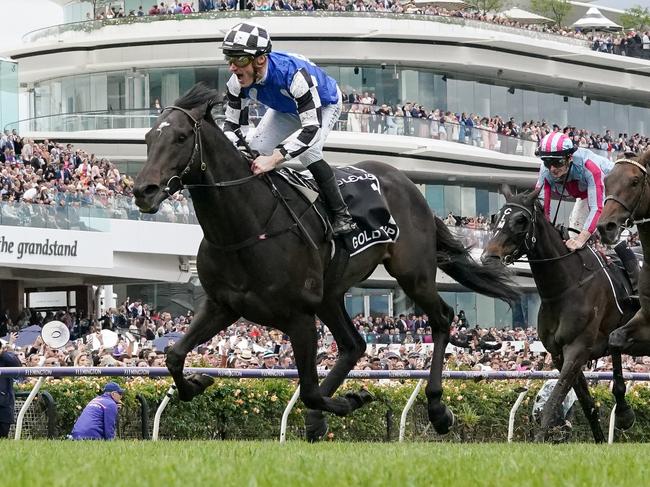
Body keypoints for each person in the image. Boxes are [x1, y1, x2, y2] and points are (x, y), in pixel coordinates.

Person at [220, 22, 357, 235]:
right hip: (285, 108)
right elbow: (231, 125)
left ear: (260, 59)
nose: (232, 67)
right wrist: (238, 146)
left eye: (240, 59)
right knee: (255, 149)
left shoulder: (294, 75)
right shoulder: (235, 83)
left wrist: (275, 158)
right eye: (229, 58)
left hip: (324, 103)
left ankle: (342, 215)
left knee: (309, 153)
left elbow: (310, 129)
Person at [535, 132, 639, 290]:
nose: (552, 168)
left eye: (557, 162)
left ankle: (637, 282)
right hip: (584, 194)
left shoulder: (589, 165)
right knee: (573, 235)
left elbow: (597, 207)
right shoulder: (545, 170)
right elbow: (543, 210)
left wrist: (582, 239)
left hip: (612, 190)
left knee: (607, 233)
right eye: (547, 162)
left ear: (570, 157)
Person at [0, 343, 21, 438]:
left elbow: (17, 366)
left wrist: (3, 353)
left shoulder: (5, 358)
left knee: (3, 438)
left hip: (3, 404)